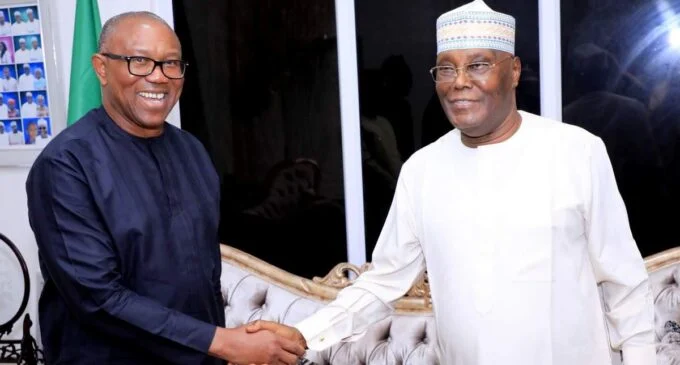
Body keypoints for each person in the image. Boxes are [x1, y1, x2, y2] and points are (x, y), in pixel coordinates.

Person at [247, 1, 656, 364]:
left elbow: (624, 283)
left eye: (478, 65)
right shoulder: (423, 170)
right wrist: (306, 333)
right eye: (447, 68)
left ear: (512, 71)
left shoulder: (576, 152)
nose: (459, 81)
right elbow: (384, 282)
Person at [25, 11, 305, 365]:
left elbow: (203, 272)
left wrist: (253, 335)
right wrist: (222, 342)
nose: (158, 77)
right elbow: (98, 299)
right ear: (101, 68)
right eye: (139, 61)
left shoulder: (192, 151)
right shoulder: (65, 166)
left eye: (171, 63)